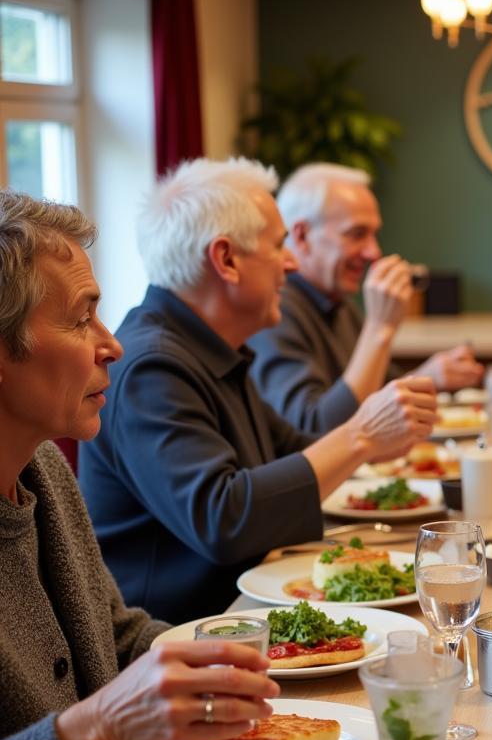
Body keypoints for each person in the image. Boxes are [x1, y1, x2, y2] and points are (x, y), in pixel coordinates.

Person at [0, 190, 280, 740]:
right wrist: (97, 731)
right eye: (81, 319)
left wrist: (253, 654)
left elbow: (116, 636)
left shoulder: (43, 469)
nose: (111, 344)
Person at [79, 158, 437, 623]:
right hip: (183, 639)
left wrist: (375, 439)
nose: (291, 263)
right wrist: (361, 437)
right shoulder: (153, 365)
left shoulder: (207, 345)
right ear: (226, 259)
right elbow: (223, 518)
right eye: (278, 245)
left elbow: (293, 450)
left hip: (246, 611)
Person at [248, 163, 483, 434]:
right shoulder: (276, 311)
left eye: (374, 234)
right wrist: (379, 328)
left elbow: (376, 395)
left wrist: (430, 376)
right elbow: (312, 430)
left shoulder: (339, 303)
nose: (374, 251)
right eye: (357, 234)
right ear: (302, 236)